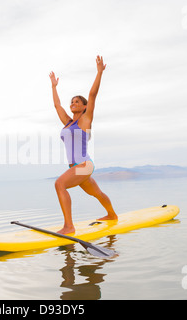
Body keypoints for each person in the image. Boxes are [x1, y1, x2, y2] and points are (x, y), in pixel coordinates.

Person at [49, 55, 118, 234]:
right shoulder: (67, 122)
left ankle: (69, 226)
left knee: (59, 184)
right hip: (77, 167)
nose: (73, 104)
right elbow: (57, 106)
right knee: (96, 193)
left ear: (84, 107)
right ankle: (112, 215)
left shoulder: (86, 120)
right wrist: (53, 86)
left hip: (84, 166)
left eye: (77, 102)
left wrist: (99, 73)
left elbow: (92, 95)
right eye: (71, 102)